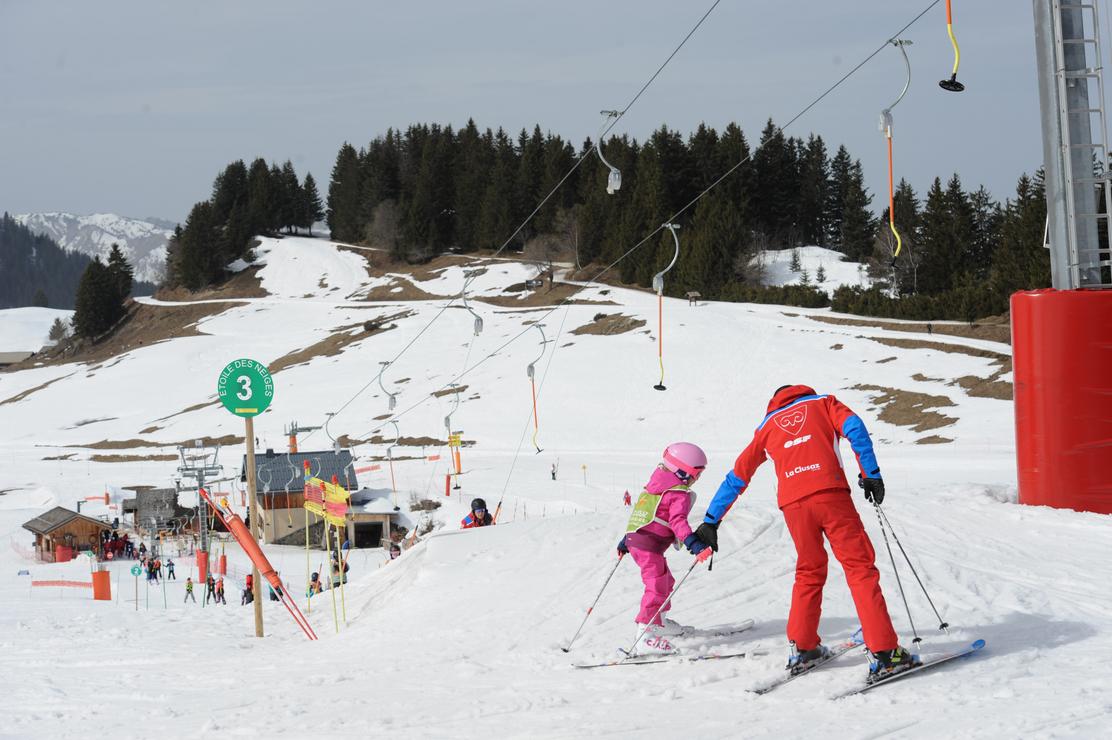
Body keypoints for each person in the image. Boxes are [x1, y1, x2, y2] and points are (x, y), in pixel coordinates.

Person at [690, 384, 918, 683]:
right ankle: (886, 653)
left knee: (809, 571)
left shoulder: (767, 426)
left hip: (794, 506)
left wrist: (711, 520)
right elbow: (855, 428)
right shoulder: (823, 403)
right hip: (830, 494)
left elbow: (738, 475)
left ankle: (804, 648)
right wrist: (871, 473)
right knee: (859, 568)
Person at [617, 443, 712, 656]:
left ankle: (659, 622)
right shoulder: (677, 493)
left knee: (666, 581)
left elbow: (642, 514)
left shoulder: (653, 487)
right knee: (657, 585)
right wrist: (695, 544)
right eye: (697, 473)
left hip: (639, 540)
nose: (697, 479)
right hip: (648, 545)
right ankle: (645, 636)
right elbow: (678, 522)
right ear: (683, 471)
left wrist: (626, 540)